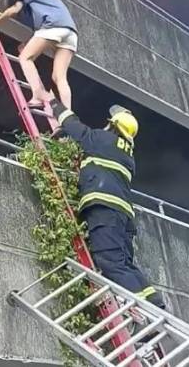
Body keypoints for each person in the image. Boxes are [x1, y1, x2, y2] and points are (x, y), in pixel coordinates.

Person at [48, 99, 167, 313]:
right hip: (123, 217)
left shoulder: (103, 140)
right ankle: (155, 303)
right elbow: (93, 150)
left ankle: (142, 312)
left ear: (113, 126)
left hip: (105, 211)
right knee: (125, 264)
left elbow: (77, 128)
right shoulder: (128, 155)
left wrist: (53, 103)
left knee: (110, 263)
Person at [0, 0, 78, 109]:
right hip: (71, 32)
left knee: (25, 58)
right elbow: (42, 33)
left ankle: (38, 94)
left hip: (53, 26)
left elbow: (15, 9)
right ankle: (68, 113)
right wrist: (27, 44)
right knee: (59, 77)